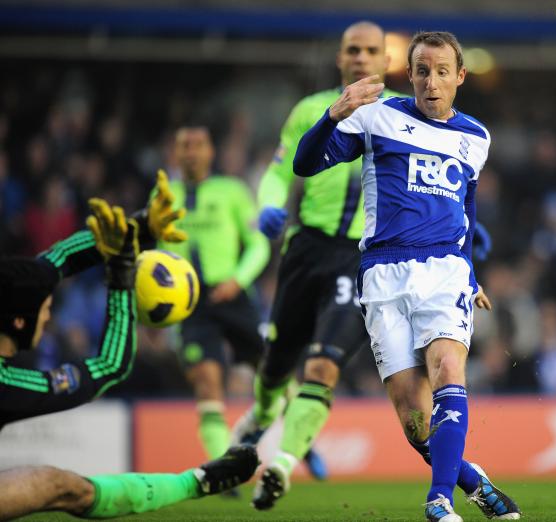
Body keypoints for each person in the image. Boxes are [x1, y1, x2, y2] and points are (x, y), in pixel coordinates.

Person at [293, 31, 521, 521]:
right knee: (416, 423)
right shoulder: (378, 117)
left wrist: (470, 272)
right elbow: (304, 164)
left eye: (442, 72)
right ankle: (472, 482)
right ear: (410, 74)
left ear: (460, 76)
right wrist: (333, 114)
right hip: (382, 273)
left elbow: (468, 209)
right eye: (422, 71)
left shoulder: (476, 137)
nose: (431, 83)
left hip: (444, 270)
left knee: (447, 371)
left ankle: (438, 501)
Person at [0, 186, 259, 519]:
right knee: (54, 485)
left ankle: (201, 479)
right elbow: (108, 366)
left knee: (59, 484)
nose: (49, 316)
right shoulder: (7, 386)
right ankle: (197, 482)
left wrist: (140, 228)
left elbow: (55, 262)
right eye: (46, 308)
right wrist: (122, 279)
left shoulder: (10, 296)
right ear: (20, 321)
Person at [230, 20, 403, 508]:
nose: (362, 57)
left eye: (372, 50)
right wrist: (268, 204)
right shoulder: (311, 109)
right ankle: (260, 416)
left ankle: (280, 466)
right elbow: (278, 171)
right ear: (340, 57)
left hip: (360, 255)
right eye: (353, 49)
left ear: (385, 61)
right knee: (275, 367)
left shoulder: (403, 115)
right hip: (306, 249)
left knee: (324, 364)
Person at [158, 126, 271, 464]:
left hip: (232, 293)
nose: (191, 152)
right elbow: (158, 255)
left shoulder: (231, 191)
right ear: (175, 154)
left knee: (270, 371)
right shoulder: (163, 197)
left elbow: (259, 243)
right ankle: (224, 467)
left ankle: (302, 442)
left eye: (198, 145)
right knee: (207, 382)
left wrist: (238, 279)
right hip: (190, 303)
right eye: (184, 146)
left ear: (210, 152)